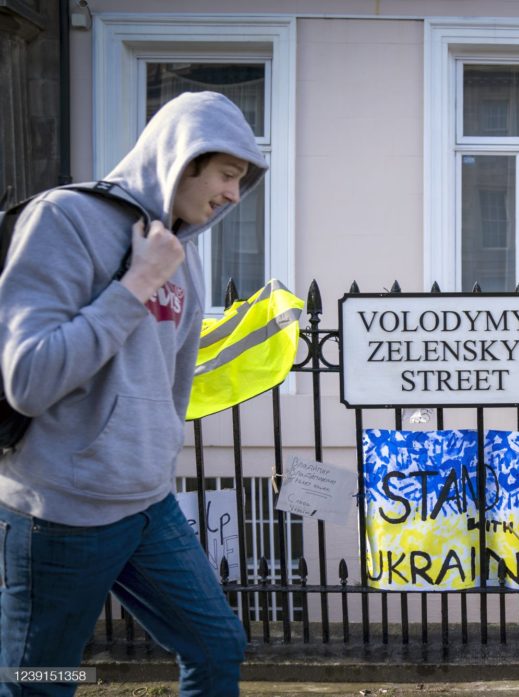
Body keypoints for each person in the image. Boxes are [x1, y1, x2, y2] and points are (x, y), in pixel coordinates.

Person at [0, 92, 267, 696]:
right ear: (184, 158)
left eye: (242, 180)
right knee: (42, 679)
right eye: (227, 173)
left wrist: (155, 453)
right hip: (61, 512)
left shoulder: (185, 256)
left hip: (147, 504)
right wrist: (139, 281)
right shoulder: (65, 219)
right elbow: (28, 380)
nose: (233, 194)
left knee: (217, 644)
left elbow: (173, 385)